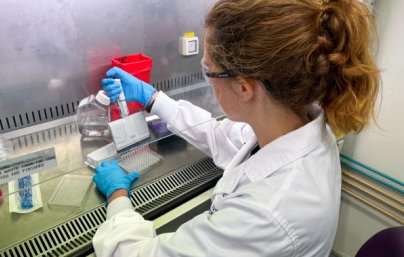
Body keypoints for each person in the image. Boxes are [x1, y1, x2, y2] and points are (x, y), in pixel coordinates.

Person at [92, 0, 380, 256]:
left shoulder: (266, 215)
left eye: (208, 71)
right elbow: (220, 136)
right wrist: (153, 98)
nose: (207, 79)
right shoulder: (298, 124)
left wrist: (118, 198)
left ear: (244, 87)